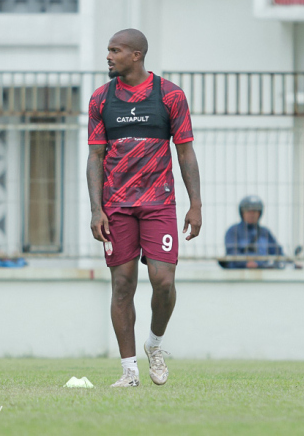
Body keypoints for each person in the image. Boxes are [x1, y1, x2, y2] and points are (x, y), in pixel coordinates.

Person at [86, 28, 201, 388]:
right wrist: (96, 209)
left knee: (163, 282)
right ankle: (129, 372)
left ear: (136, 55)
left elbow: (185, 152)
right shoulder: (100, 100)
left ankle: (155, 344)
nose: (108, 56)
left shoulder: (170, 96)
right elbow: (94, 156)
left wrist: (196, 204)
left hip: (159, 204)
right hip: (117, 207)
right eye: (108, 50)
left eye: (115, 50)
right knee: (122, 285)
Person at [221, 196, 284, 269]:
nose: (251, 214)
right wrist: (246, 263)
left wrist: (292, 262)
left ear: (259, 213)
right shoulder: (233, 231)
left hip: (262, 272)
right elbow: (232, 252)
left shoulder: (265, 232)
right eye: (248, 211)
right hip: (238, 272)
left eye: (254, 211)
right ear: (242, 213)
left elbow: (277, 252)